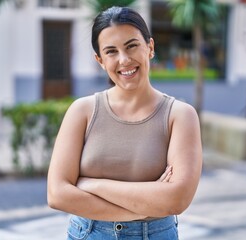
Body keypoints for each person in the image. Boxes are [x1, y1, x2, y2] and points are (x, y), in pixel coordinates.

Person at [47, 6, 202, 240]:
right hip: (88, 234)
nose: (124, 60)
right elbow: (58, 194)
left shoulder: (179, 115)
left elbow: (177, 199)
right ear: (100, 60)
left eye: (132, 46)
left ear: (150, 47)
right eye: (111, 51)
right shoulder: (82, 111)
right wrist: (144, 207)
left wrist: (92, 184)